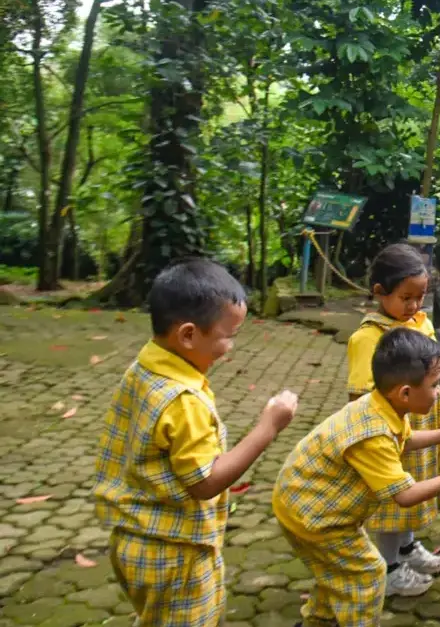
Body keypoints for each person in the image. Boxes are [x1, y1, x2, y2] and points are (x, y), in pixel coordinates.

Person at [93, 258, 298, 627]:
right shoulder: (182, 401)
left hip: (134, 540)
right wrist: (268, 427)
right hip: (175, 554)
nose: (231, 347)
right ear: (188, 335)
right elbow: (205, 482)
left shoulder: (146, 366)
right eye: (228, 336)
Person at [275, 327, 440, 627]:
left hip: (308, 503)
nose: (438, 393)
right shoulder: (374, 431)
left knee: (336, 572)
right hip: (315, 516)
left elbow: (405, 442)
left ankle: (316, 622)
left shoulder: (383, 406)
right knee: (368, 574)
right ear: (406, 393)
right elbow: (404, 496)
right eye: (435, 385)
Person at [345, 242, 440, 596]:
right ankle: (388, 569)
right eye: (406, 297)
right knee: (393, 496)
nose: (414, 305)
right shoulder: (368, 338)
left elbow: (437, 356)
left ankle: (406, 547)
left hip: (418, 424)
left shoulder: (417, 321)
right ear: (380, 292)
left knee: (416, 487)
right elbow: (358, 395)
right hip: (389, 434)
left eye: (421, 297)